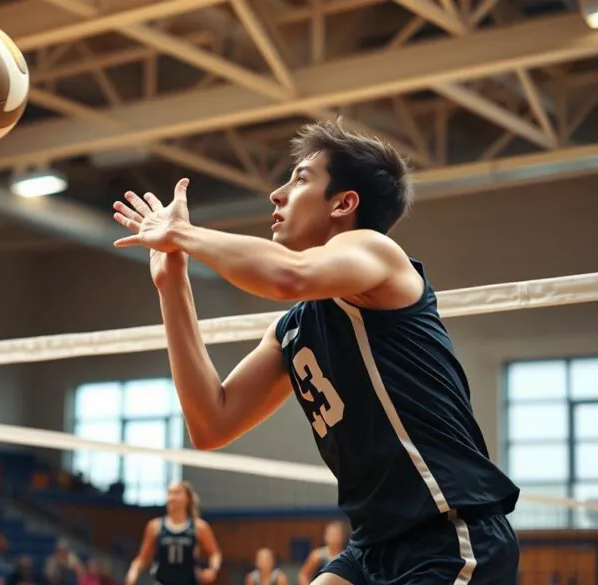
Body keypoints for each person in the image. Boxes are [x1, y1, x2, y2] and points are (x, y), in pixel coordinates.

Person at [110, 119, 521, 585]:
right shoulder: (293, 330)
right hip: (371, 547)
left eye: (301, 178)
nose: (277, 194)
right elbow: (211, 422)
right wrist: (172, 285)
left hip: (451, 536)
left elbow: (286, 277)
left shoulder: (378, 253)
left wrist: (184, 233)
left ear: (345, 203)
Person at [125, 482, 221, 585]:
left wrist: (213, 570)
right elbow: (143, 558)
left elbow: (215, 554)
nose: (172, 497)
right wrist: (133, 571)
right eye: (169, 493)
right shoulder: (155, 526)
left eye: (177, 493)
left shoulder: (199, 527)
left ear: (187, 498)